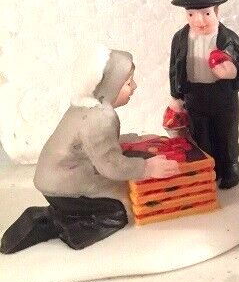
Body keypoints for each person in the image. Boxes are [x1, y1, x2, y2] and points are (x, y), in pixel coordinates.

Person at [1, 46, 179, 254]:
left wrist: (134, 140)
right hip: (65, 187)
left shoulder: (84, 108)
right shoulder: (100, 118)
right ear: (110, 87)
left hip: (52, 179)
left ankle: (57, 214)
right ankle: (62, 226)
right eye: (128, 83)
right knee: (117, 214)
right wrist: (147, 168)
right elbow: (110, 166)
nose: (135, 87)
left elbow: (93, 146)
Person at [168, 0, 239, 189]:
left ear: (216, 11)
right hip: (194, 96)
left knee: (226, 133)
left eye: (206, 13)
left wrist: (232, 70)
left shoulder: (228, 38)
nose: (199, 21)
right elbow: (174, 69)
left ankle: (230, 167)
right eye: (191, 15)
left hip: (222, 95)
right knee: (200, 136)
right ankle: (208, 168)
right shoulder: (180, 38)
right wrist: (176, 96)